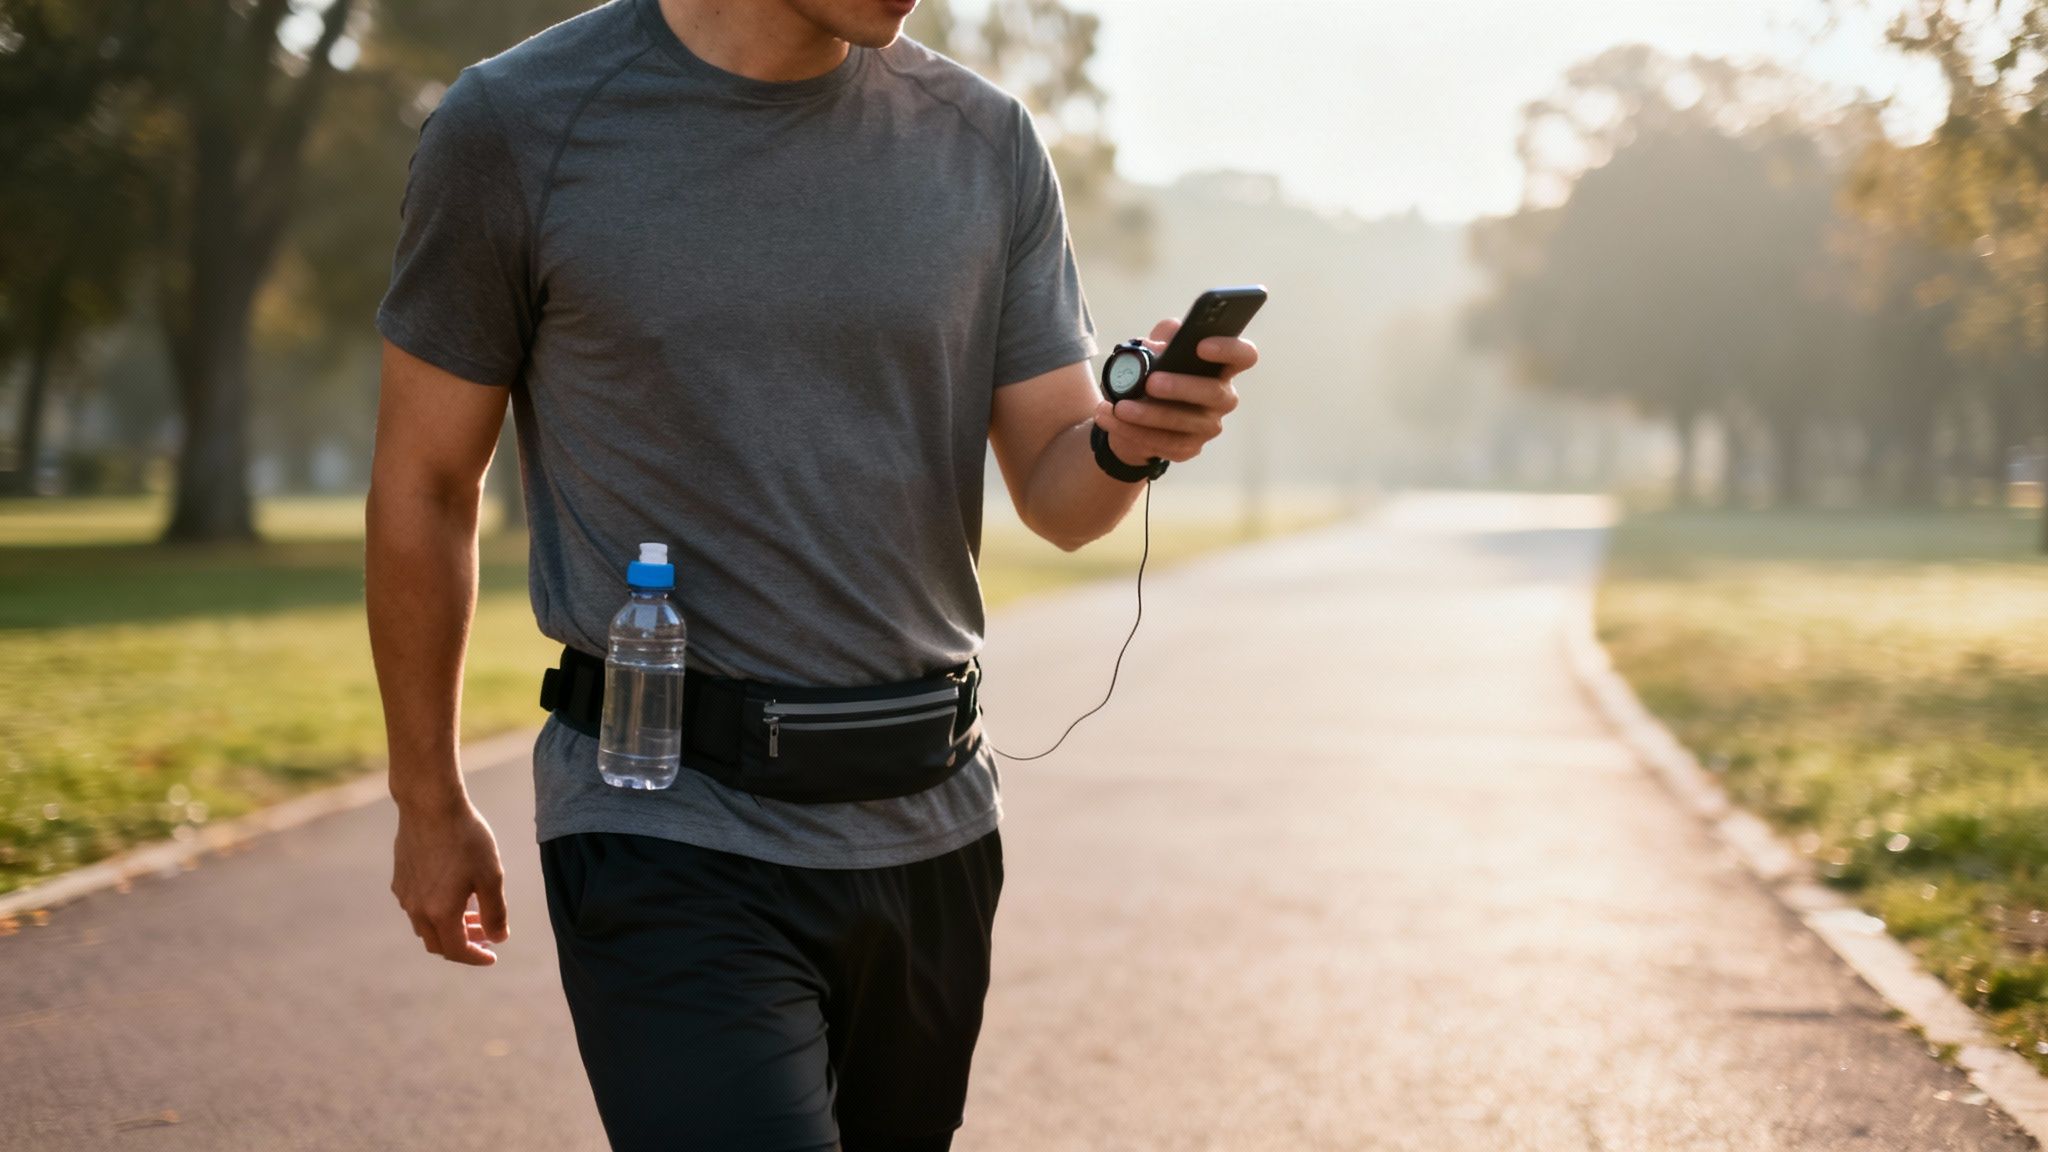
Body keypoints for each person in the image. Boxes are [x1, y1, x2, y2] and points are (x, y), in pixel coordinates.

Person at [364, 0, 1257, 1147]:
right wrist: (426, 800)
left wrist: (1131, 440)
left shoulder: (983, 141)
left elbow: (1059, 494)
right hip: (662, 817)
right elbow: (427, 485)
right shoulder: (518, 123)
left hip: (929, 823)